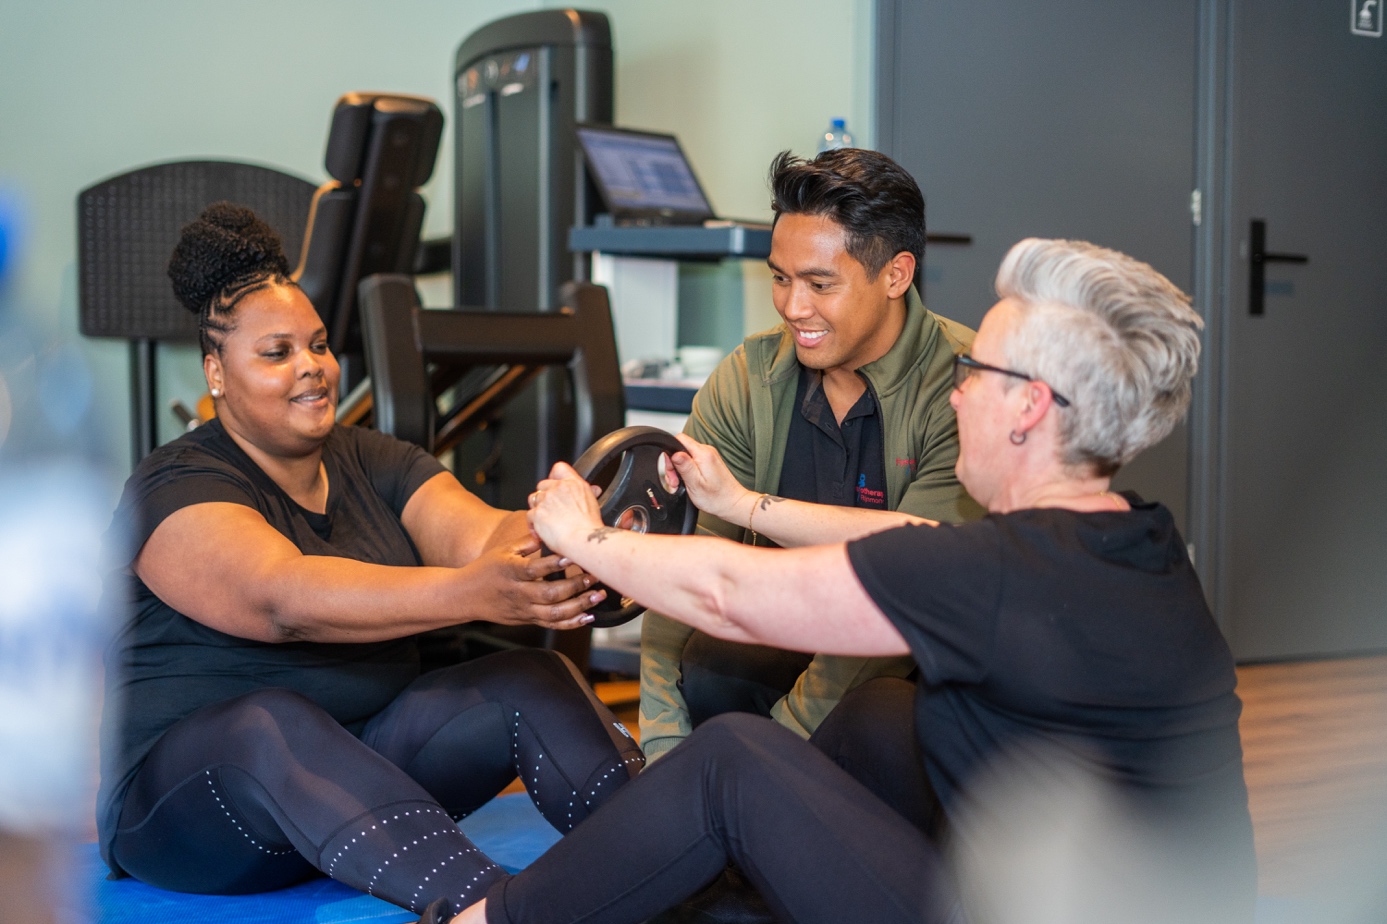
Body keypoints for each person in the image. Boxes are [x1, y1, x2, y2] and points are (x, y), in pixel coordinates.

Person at [457, 238, 1257, 924]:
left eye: (974, 370)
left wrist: (586, 537)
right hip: (1114, 891)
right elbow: (910, 540)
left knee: (735, 755)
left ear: (1028, 409)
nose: (955, 389)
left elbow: (728, 597)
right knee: (883, 713)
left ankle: (493, 918)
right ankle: (740, 883)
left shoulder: (990, 574)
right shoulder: (1130, 538)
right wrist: (737, 503)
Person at [95, 203, 645, 920]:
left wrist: (580, 530)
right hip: (198, 816)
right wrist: (473, 593)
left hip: (359, 784)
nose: (312, 369)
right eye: (277, 352)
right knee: (269, 723)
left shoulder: (374, 458)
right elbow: (280, 598)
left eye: (318, 345)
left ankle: (684, 871)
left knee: (529, 677)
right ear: (217, 372)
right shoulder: (174, 484)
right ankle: (495, 912)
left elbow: (479, 537)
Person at [640, 148, 982, 764]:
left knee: (890, 717)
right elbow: (680, 566)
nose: (794, 308)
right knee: (713, 664)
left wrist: (768, 760)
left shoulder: (969, 390)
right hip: (792, 637)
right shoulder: (747, 379)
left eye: (820, 283)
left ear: (896, 275)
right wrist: (664, 748)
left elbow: (906, 590)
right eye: (780, 277)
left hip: (913, 661)